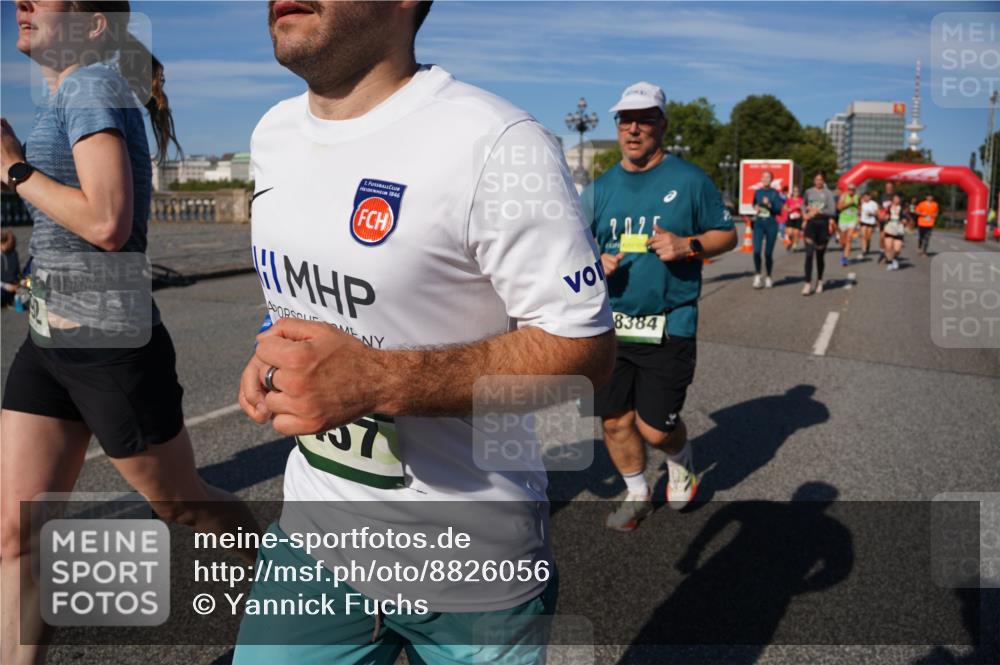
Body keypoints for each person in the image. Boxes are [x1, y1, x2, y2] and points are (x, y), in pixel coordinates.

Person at [234, 2, 616, 663]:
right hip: (315, 540)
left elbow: (585, 352)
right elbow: (304, 297)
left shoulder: (497, 142)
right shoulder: (271, 134)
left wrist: (377, 381)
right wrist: (273, 351)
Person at [0, 3, 259, 662]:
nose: (21, 6)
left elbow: (108, 221)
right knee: (15, 532)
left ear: (91, 27)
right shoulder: (68, 90)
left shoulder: (90, 86)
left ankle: (283, 579)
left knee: (180, 505)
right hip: (48, 343)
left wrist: (13, 168)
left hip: (109, 343)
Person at [584, 81, 737, 531]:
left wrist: (687, 244)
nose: (633, 129)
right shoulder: (599, 188)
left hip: (669, 324)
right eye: (625, 120)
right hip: (611, 325)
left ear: (662, 125)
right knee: (614, 422)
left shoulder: (690, 180)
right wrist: (594, 260)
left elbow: (727, 235)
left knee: (653, 428)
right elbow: (570, 246)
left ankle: (679, 454)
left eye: (645, 120)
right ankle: (636, 493)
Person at [801, 172, 837, 296]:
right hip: (810, 225)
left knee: (820, 256)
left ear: (823, 181)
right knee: (809, 254)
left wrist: (819, 211)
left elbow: (832, 211)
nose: (818, 182)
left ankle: (820, 281)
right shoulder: (808, 192)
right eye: (816, 179)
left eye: (821, 180)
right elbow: (803, 204)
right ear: (813, 180)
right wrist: (804, 214)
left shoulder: (828, 194)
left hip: (822, 225)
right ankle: (807, 283)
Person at [750, 170, 782, 289]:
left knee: (768, 253)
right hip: (759, 223)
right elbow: (754, 204)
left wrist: (769, 205)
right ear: (761, 179)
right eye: (763, 177)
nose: (765, 179)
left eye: (768, 177)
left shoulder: (774, 193)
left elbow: (778, 210)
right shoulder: (758, 192)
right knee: (756, 251)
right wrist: (756, 207)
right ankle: (758, 275)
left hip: (771, 224)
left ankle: (768, 276)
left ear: (771, 180)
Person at [836, 183, 859, 266]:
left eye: (853, 189)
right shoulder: (843, 196)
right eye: (850, 189)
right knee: (843, 241)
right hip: (843, 220)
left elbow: (859, 207)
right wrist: (849, 203)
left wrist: (858, 217)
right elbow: (839, 207)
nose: (851, 191)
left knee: (849, 239)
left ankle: (845, 258)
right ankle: (844, 250)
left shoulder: (857, 197)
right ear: (847, 189)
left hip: (852, 220)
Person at [883, 194, 906, 270]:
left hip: (898, 228)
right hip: (889, 227)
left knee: (897, 249)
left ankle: (894, 259)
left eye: (898, 198)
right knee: (888, 247)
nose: (896, 200)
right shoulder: (888, 207)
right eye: (895, 198)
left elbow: (905, 217)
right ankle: (890, 262)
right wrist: (885, 217)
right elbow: (884, 215)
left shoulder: (902, 208)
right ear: (892, 199)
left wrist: (904, 220)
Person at [0, 230, 20, 308]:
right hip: (3, 287)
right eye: (10, 243)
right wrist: (7, 287)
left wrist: (19, 283)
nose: (12, 245)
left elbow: (17, 272)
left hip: (14, 286)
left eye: (13, 243)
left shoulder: (14, 253)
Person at [858, 190, 879, 257]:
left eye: (867, 196)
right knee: (863, 236)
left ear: (870, 197)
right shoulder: (862, 203)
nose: (866, 198)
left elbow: (877, 212)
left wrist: (871, 213)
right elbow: (859, 211)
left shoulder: (874, 204)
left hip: (871, 222)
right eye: (865, 197)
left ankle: (867, 246)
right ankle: (864, 250)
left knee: (868, 237)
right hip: (863, 221)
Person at [784, 185, 804, 252]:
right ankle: (791, 242)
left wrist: (800, 207)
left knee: (796, 233)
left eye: (797, 191)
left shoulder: (801, 200)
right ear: (792, 192)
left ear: (799, 192)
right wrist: (788, 209)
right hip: (791, 217)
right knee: (789, 233)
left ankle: (795, 245)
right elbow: (785, 207)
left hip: (798, 218)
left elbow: (804, 208)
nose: (796, 192)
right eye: (794, 191)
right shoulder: (789, 200)